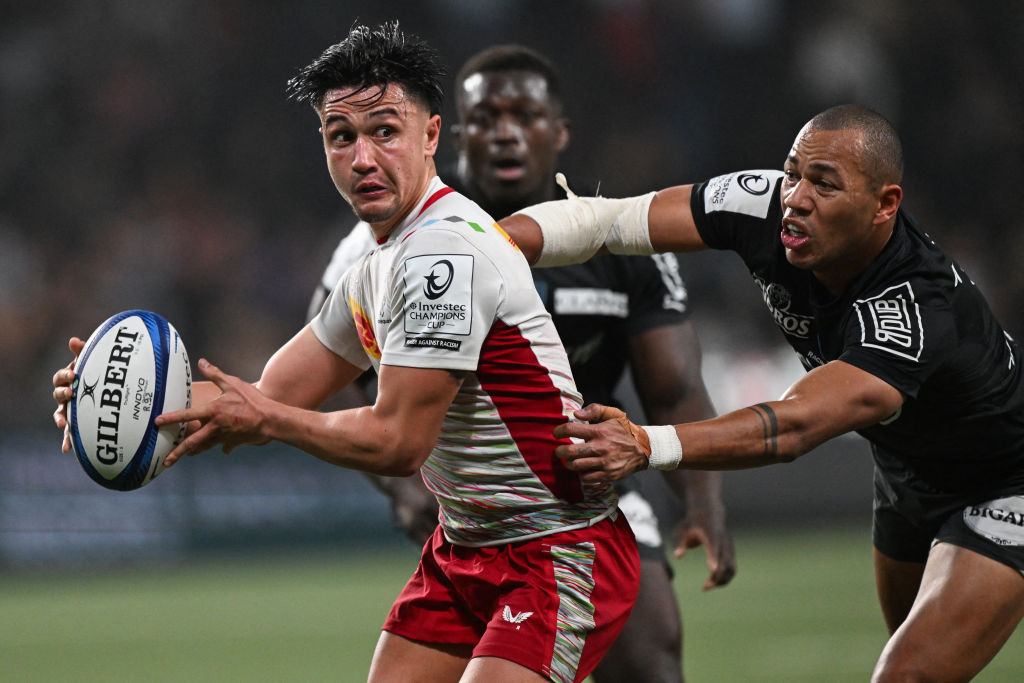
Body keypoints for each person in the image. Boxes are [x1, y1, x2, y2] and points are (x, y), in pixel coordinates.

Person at [51, 23, 641, 683]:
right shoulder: (375, 266)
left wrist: (269, 420)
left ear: (431, 136)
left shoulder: (443, 254)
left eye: (385, 131)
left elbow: (398, 443)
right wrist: (115, 398)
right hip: (465, 547)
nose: (362, 158)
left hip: (557, 545)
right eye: (341, 136)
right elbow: (266, 394)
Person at [499, 103, 1024, 682]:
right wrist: (487, 246)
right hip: (906, 474)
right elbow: (608, 223)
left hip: (1004, 480)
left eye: (825, 184)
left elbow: (793, 425)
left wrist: (646, 444)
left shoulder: (913, 310)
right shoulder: (765, 205)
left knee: (906, 677)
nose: (796, 197)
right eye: (793, 172)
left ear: (885, 204)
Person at [306, 45, 736, 683]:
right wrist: (404, 489)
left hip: (588, 492)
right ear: (453, 137)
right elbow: (327, 372)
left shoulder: (611, 238)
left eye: (525, 116)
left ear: (559, 132)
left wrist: (704, 502)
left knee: (650, 655)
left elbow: (673, 388)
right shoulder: (391, 236)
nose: (505, 133)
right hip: (468, 501)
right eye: (486, 118)